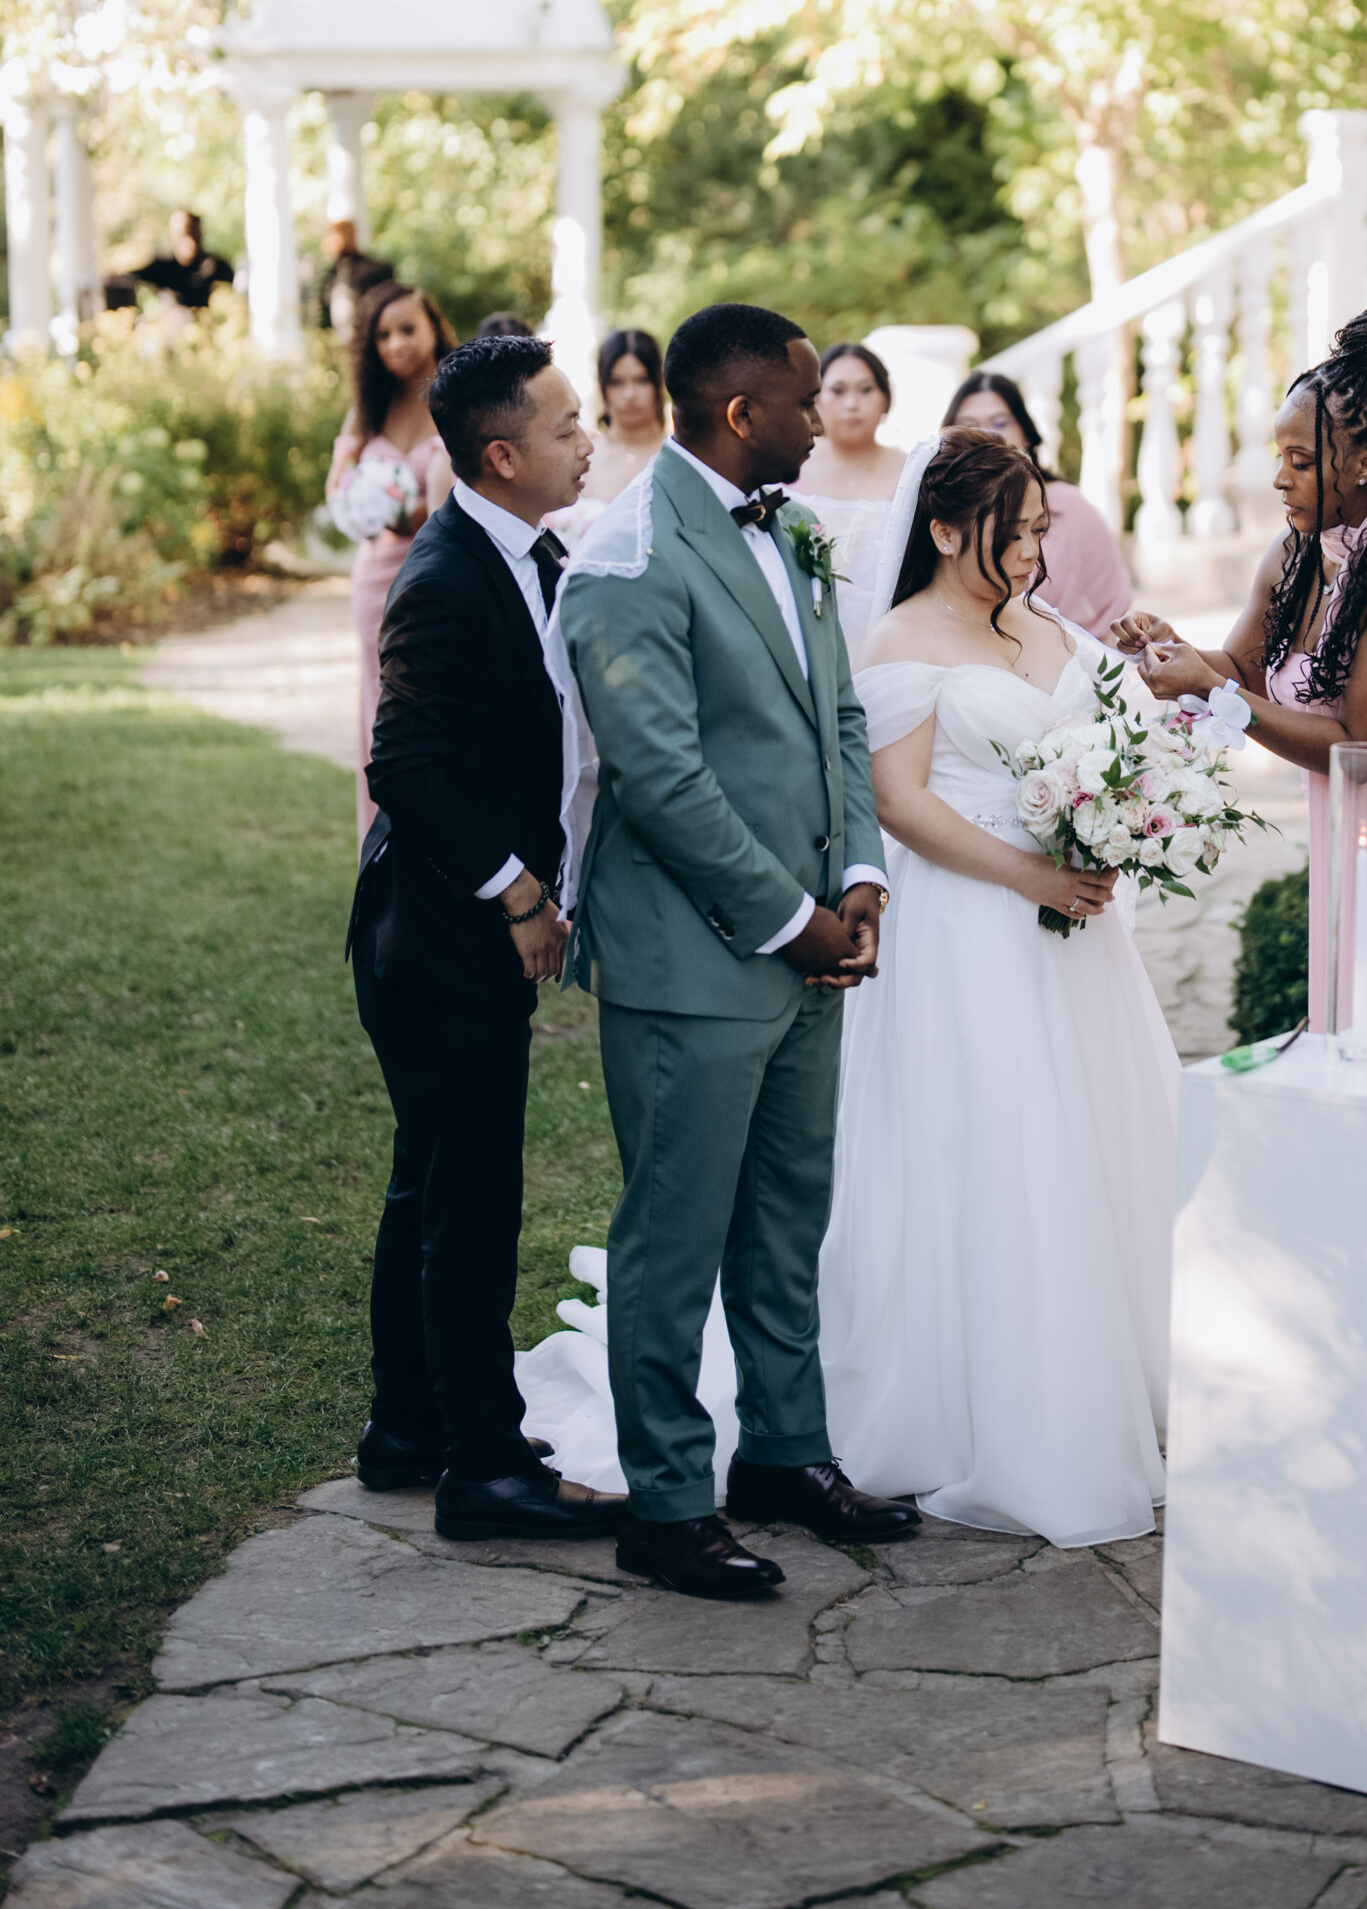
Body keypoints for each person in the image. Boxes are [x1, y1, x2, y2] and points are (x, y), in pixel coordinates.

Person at [560, 302, 915, 1603]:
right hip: (694, 958)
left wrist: (860, 874)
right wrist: (789, 919)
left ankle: (784, 1452)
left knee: (785, 1218)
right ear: (739, 412)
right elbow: (660, 778)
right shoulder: (625, 555)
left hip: (814, 940)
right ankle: (666, 1504)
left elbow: (838, 716)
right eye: (805, 399)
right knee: (674, 1237)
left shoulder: (796, 530)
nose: (823, 418)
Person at [816, 427, 1180, 1546]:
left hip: (1073, 942)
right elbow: (902, 802)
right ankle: (993, 1408)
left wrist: (1127, 800)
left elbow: (1118, 729)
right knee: (996, 1146)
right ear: (941, 530)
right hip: (966, 933)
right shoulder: (902, 638)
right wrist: (1034, 875)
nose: (1031, 552)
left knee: (1094, 1141)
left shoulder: (1041, 621)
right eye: (1012, 533)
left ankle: (1115, 1380)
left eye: (1037, 530)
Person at [346, 332, 618, 1545]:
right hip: (438, 943)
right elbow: (401, 766)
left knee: (430, 1185)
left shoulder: (533, 550)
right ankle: (485, 1469)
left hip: (443, 939)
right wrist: (518, 894)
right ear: (501, 456)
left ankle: (407, 1428)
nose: (586, 439)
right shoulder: (448, 579)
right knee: (471, 1205)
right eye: (565, 426)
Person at [1112, 307, 1367, 1051]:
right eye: (1279, 456)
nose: (1278, 477)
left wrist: (1212, 691)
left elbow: (1357, 749)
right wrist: (1174, 650)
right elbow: (1242, 670)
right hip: (1346, 844)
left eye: (1300, 460)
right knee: (1343, 1055)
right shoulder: (1296, 556)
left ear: (1365, 465)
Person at [328, 283, 458, 840]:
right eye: (383, 335)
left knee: (431, 702)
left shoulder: (456, 397)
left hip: (435, 573)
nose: (397, 343)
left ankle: (440, 838)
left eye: (407, 329)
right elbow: (337, 487)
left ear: (432, 328)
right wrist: (367, 505)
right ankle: (381, 842)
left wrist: (420, 513)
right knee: (377, 706)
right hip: (374, 578)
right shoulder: (369, 408)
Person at [942, 369, 1132, 636]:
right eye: (970, 426)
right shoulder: (938, 513)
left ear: (1025, 432)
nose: (987, 436)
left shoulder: (1069, 507)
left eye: (999, 423)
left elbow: (1114, 609)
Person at [792, 340, 904, 656]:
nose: (852, 404)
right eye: (838, 390)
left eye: (866, 390)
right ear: (815, 397)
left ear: (886, 398)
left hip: (890, 640)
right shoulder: (789, 467)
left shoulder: (913, 471)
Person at [548, 328, 668, 547]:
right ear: (603, 385)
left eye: (641, 380)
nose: (629, 394)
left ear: (659, 382)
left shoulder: (677, 454)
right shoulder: (581, 453)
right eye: (617, 382)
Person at [103, 208, 233, 312]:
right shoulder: (162, 266)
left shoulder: (216, 267)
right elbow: (134, 276)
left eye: (192, 231)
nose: (189, 238)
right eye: (183, 232)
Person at [319, 219, 396, 336]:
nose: (326, 243)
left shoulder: (374, 270)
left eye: (330, 237)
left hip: (369, 334)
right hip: (341, 338)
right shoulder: (331, 274)